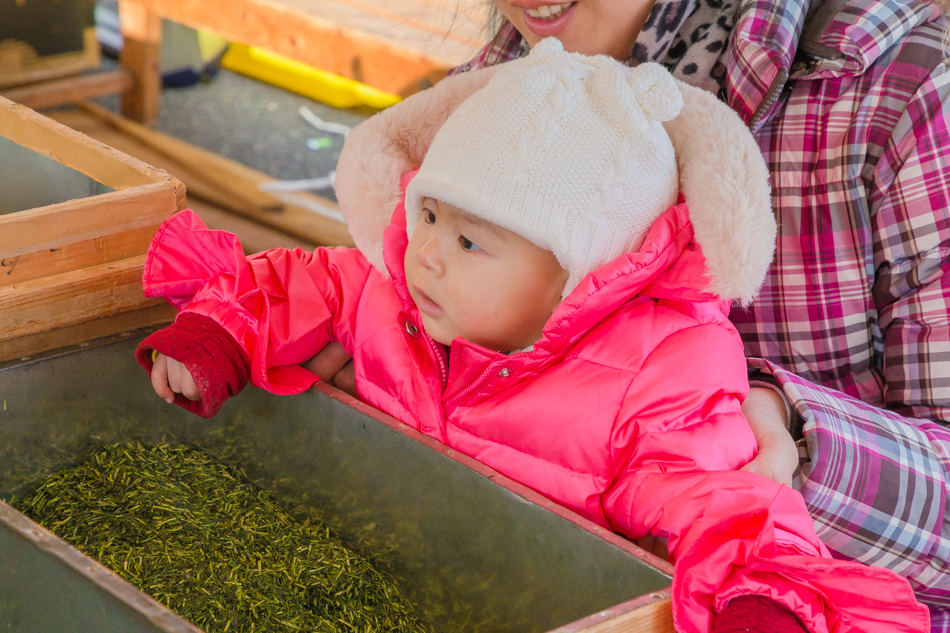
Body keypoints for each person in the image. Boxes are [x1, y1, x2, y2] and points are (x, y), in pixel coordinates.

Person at [138, 41, 928, 632]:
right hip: (391, 558)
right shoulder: (398, 284)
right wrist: (220, 334)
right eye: (429, 214)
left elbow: (727, 503)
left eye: (471, 241)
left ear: (577, 278)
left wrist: (763, 602)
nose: (428, 252)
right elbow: (300, 279)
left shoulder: (655, 376)